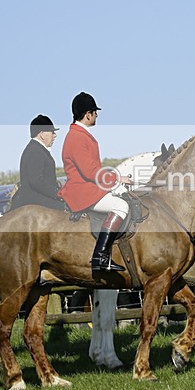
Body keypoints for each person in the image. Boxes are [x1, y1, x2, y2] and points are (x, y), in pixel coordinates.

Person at [57, 92, 132, 274]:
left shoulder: (80, 134)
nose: (97, 115)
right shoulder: (77, 137)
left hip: (89, 188)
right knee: (121, 206)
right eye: (95, 112)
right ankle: (101, 256)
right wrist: (116, 179)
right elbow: (89, 171)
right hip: (82, 192)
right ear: (88, 114)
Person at [11, 114, 63, 211]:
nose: (55, 135)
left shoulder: (36, 149)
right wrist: (57, 193)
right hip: (38, 203)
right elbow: (36, 180)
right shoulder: (35, 151)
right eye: (52, 132)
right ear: (42, 134)